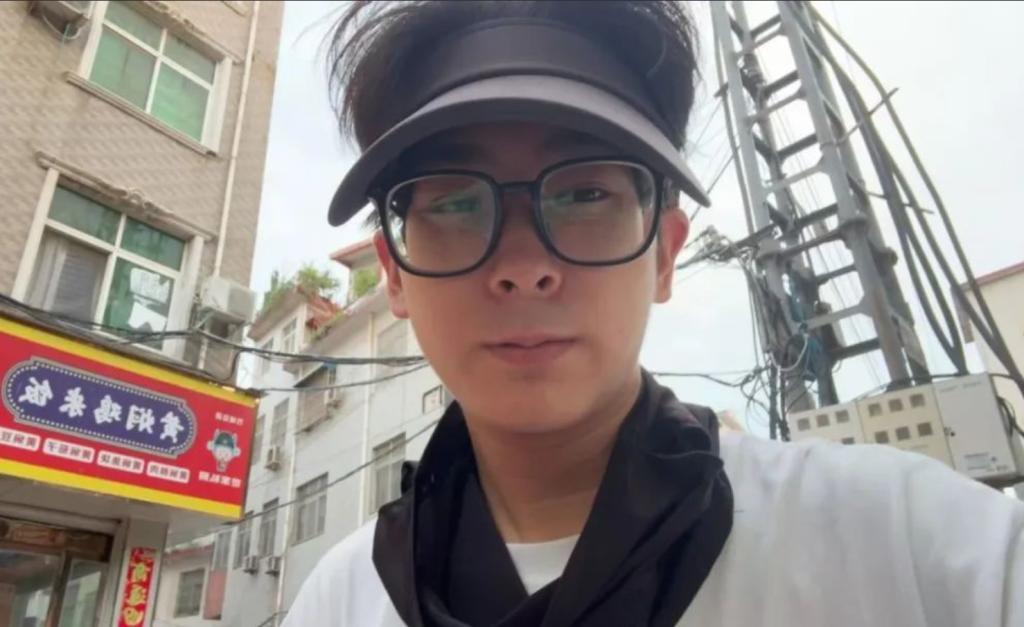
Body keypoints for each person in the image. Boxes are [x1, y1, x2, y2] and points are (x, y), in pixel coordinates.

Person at [284, 2, 1024, 625]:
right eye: (454, 203)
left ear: (665, 253)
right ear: (394, 272)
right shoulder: (343, 600)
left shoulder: (914, 545)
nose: (523, 266)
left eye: (584, 194)